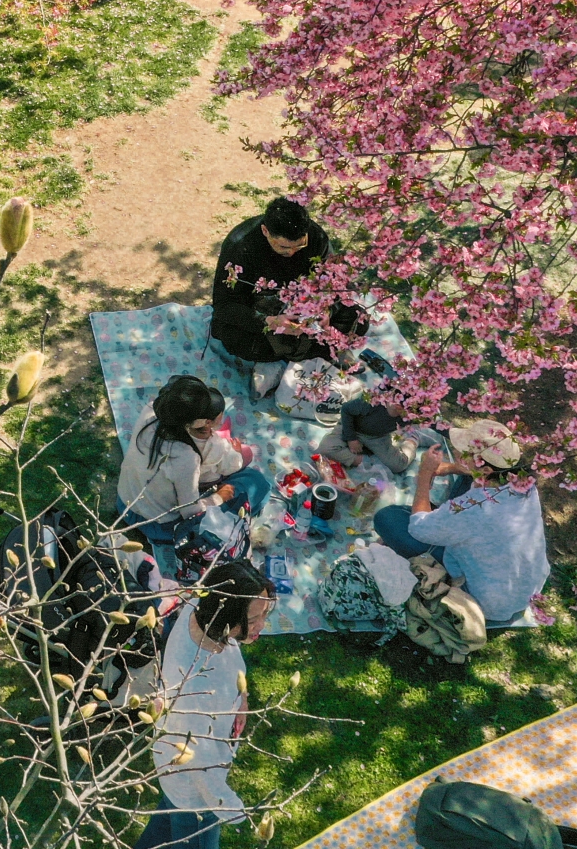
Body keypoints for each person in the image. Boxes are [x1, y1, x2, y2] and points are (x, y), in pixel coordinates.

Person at [136, 558, 273, 849]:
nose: (262, 625)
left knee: (163, 822)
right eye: (254, 619)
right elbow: (202, 767)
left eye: (264, 613)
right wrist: (235, 810)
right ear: (226, 619)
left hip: (173, 767)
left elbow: (232, 655)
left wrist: (241, 697)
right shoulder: (196, 685)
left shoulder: (201, 611)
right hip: (193, 791)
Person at [372, 420, 550, 625]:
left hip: (480, 600)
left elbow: (419, 528)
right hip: (525, 591)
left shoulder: (474, 507)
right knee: (466, 481)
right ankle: (445, 518)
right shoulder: (525, 485)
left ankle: (441, 547)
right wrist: (452, 469)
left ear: (486, 471)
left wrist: (425, 474)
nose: (456, 452)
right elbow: (478, 476)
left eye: (465, 453)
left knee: (387, 519)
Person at [118, 375, 273, 565]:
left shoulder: (150, 410)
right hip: (157, 524)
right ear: (199, 423)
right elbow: (189, 511)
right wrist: (220, 497)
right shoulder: (185, 456)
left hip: (124, 502)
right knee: (257, 483)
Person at [210, 197, 358, 367]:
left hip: (303, 306)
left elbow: (333, 281)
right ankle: (316, 349)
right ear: (265, 231)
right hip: (260, 309)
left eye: (300, 246)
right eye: (284, 248)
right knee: (235, 338)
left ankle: (297, 348)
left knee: (354, 314)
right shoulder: (240, 246)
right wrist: (270, 322)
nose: (293, 253)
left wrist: (327, 310)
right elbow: (224, 304)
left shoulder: (316, 237)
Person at [319, 389, 415, 473]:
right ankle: (370, 461)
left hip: (377, 436)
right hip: (352, 426)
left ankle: (414, 439)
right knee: (325, 448)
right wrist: (351, 438)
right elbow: (346, 409)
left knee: (398, 465)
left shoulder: (411, 415)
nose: (397, 406)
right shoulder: (373, 399)